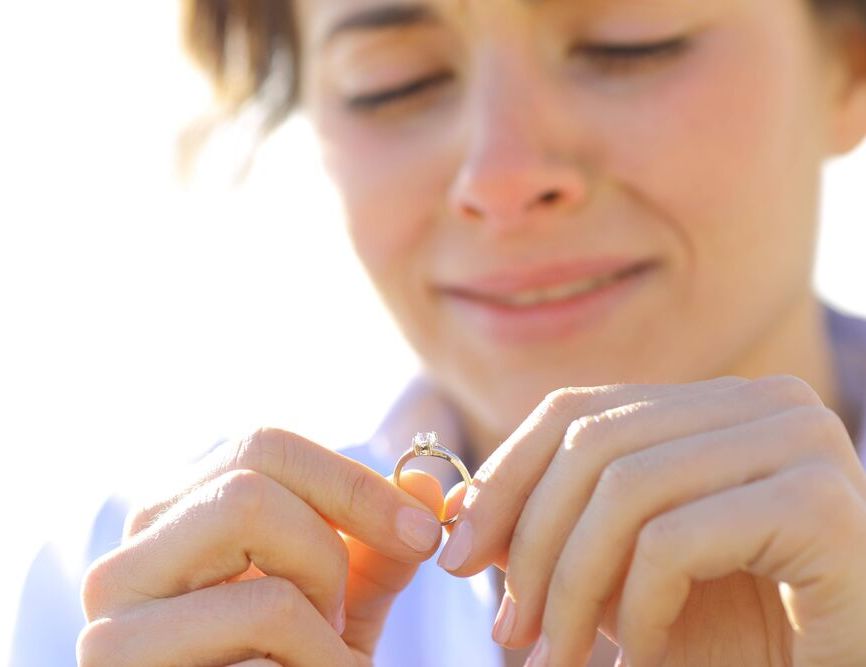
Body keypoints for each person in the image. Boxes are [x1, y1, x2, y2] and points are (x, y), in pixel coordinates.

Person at [13, 0, 866, 665]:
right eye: (394, 81)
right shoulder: (129, 591)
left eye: (628, 43)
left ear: (850, 67)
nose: (500, 176)